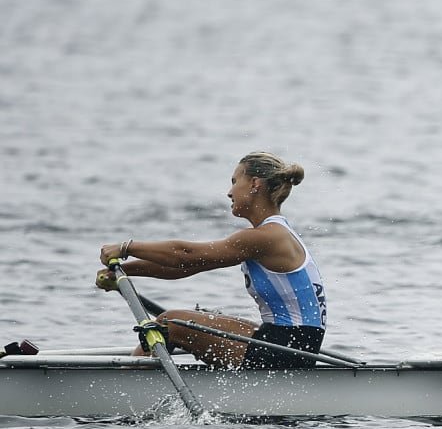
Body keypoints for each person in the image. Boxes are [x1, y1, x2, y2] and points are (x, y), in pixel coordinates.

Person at [97, 152, 327, 369]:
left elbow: (184, 254)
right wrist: (124, 272)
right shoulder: (271, 233)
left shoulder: (266, 236)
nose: (229, 192)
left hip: (289, 347)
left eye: (235, 181)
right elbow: (187, 266)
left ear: (255, 184)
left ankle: (125, 384)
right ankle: (137, 377)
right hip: (291, 340)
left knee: (169, 322)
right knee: (200, 319)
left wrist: (127, 247)